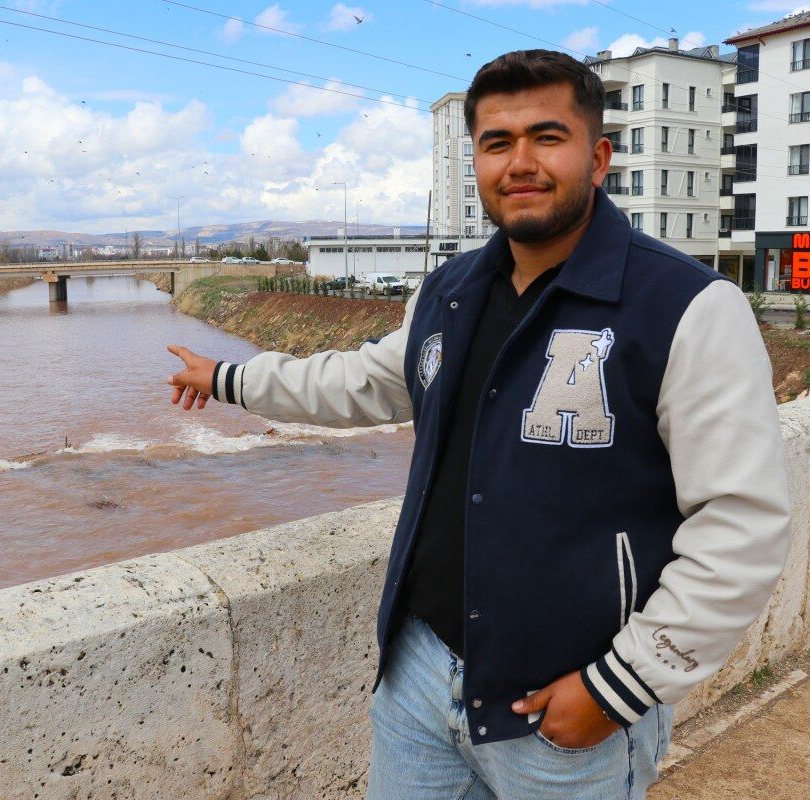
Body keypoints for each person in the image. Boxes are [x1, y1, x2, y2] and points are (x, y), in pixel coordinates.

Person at [165, 49, 791, 800]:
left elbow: (740, 523)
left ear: (596, 158)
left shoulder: (684, 306)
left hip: (569, 705)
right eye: (497, 143)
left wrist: (621, 686)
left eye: (545, 137)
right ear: (476, 163)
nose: (519, 162)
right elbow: (365, 381)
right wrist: (229, 377)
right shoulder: (448, 293)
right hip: (420, 682)